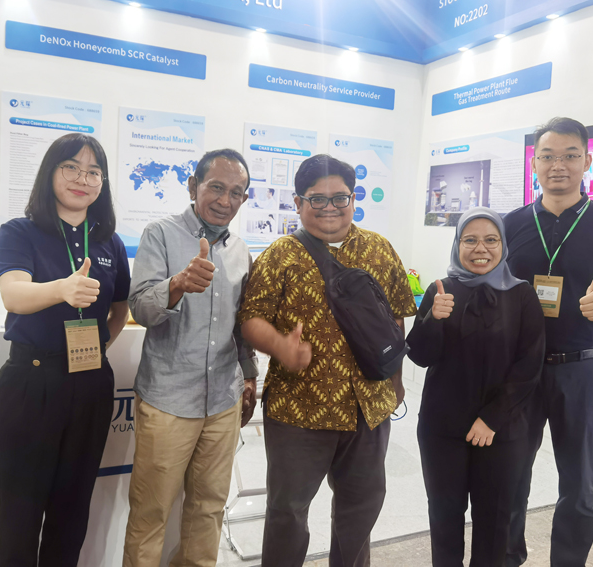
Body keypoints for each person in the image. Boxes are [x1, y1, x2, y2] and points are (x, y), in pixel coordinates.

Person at [238, 154, 417, 567]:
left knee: (361, 508)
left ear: (353, 199)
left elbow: (396, 318)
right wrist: (280, 346)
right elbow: (251, 318)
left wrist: (395, 378)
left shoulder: (379, 249)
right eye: (317, 199)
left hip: (368, 406)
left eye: (340, 198)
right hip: (299, 409)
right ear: (298, 203)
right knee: (287, 511)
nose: (330, 208)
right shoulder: (280, 254)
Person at [504, 117, 593, 567]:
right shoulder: (511, 224)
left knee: (579, 486)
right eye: (547, 156)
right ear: (534, 163)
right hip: (520, 370)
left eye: (569, 155)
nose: (557, 165)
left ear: (587, 161)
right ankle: (506, 557)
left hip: (584, 368)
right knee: (508, 478)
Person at [0, 133, 130, 567]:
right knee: (21, 514)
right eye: (71, 167)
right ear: (50, 172)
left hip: (90, 385)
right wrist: (61, 289)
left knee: (72, 512)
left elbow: (120, 308)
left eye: (93, 172)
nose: (82, 179)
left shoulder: (109, 242)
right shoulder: (20, 232)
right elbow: (13, 295)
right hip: (32, 382)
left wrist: (97, 347)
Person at [123, 148, 259, 567]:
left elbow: (241, 323)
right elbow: (140, 308)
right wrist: (178, 284)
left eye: (236, 193)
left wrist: (249, 375)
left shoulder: (241, 250)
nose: (225, 200)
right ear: (193, 186)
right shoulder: (160, 234)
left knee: (208, 511)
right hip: (168, 400)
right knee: (150, 514)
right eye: (216, 187)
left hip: (222, 400)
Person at [407, 207, 545, 567]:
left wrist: (492, 418)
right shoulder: (441, 291)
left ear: (503, 245)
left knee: (495, 520)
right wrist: (433, 319)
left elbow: (529, 366)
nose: (480, 248)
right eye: (470, 240)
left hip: (500, 430)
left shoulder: (522, 296)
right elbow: (420, 355)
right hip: (443, 428)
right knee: (444, 516)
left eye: (490, 240)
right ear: (458, 245)